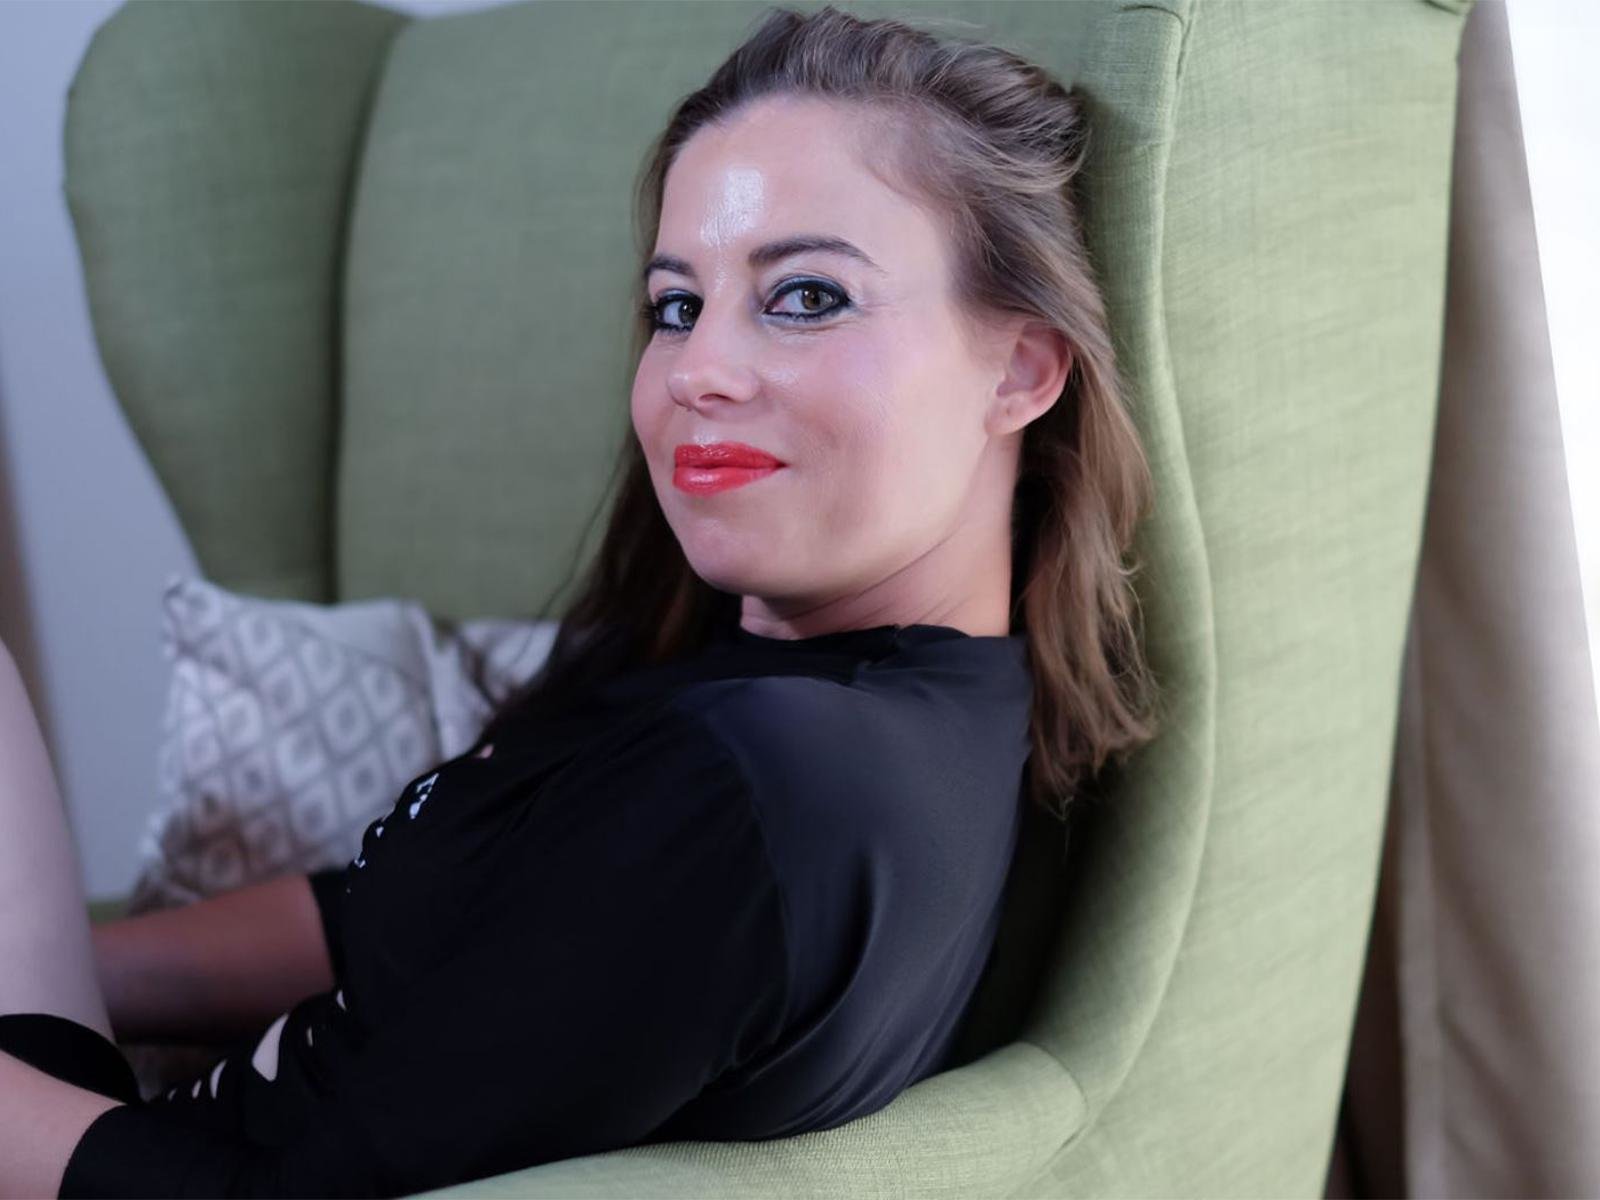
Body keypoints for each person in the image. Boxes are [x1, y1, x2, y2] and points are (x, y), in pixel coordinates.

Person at [0, 5, 1161, 1197]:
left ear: (1021, 368)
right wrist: (72, 972)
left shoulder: (752, 790)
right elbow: (455, 921)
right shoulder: (910, 702)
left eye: (807, 296)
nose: (698, 370)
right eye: (676, 305)